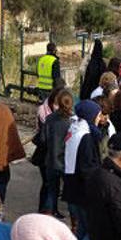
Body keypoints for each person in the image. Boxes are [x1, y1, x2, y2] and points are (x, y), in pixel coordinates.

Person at [63, 100, 105, 240]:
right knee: (93, 228)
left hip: (72, 187)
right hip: (84, 190)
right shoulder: (87, 137)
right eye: (98, 114)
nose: (100, 117)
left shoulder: (75, 128)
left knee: (81, 226)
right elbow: (87, 167)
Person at [33, 82, 67, 216]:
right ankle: (45, 210)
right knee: (48, 183)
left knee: (53, 185)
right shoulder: (44, 111)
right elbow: (43, 137)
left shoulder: (55, 114)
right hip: (46, 153)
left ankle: (52, 209)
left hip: (54, 153)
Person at [38, 88, 73, 217]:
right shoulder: (71, 122)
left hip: (51, 159)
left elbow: (42, 139)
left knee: (51, 189)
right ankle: (73, 216)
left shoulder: (50, 119)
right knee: (69, 190)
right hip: (65, 161)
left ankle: (50, 212)